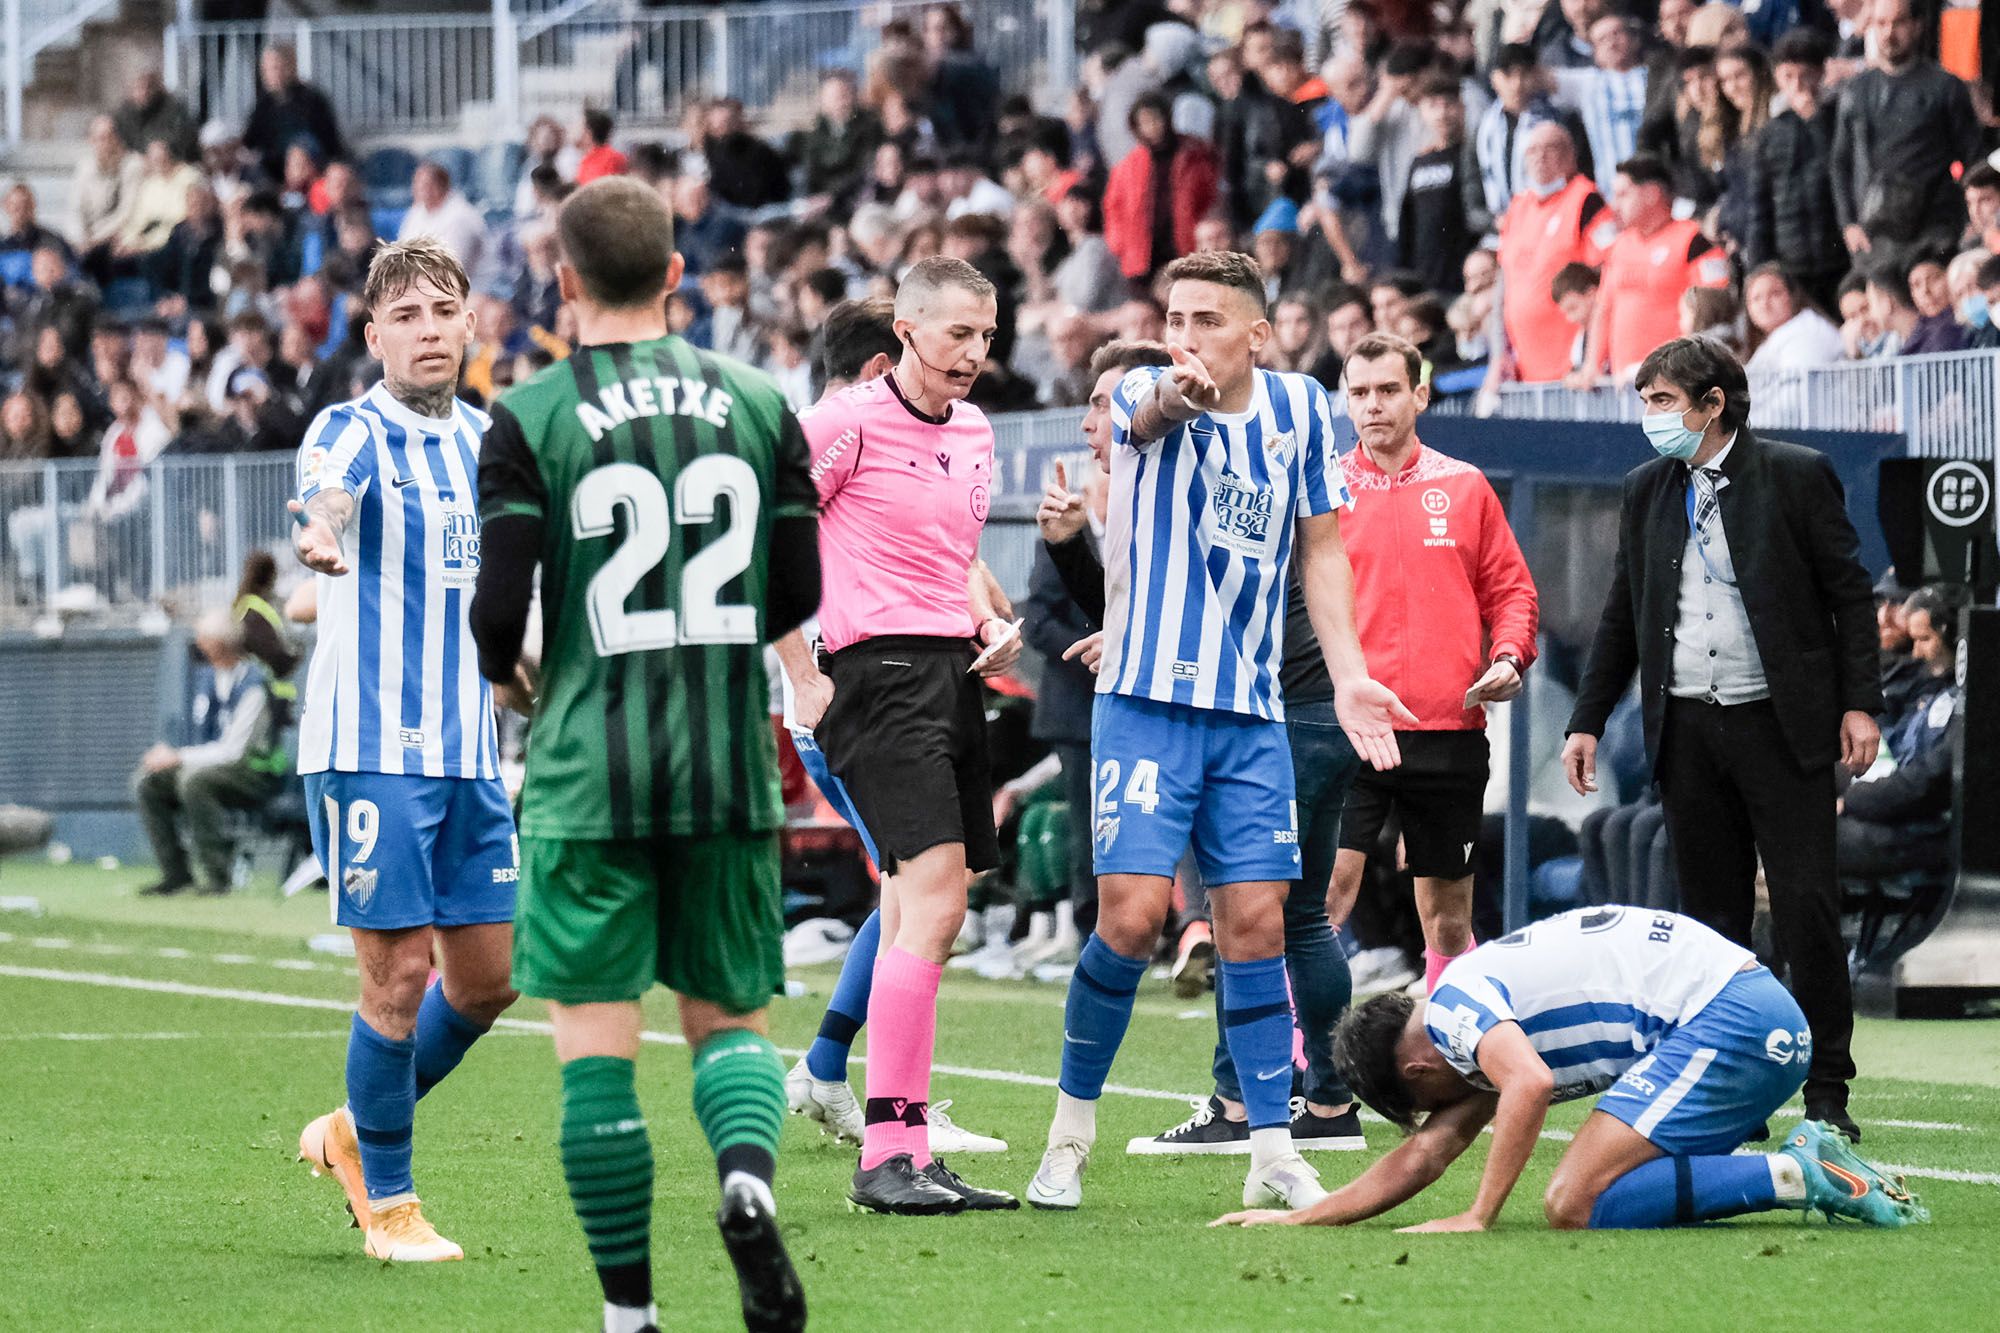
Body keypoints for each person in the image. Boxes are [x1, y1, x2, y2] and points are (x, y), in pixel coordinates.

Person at [467, 175, 814, 1333]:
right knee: (730, 1025)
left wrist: (510, 675)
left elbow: (496, 608)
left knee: (595, 1051)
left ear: (562, 285)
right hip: (723, 767)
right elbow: (798, 592)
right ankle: (748, 1182)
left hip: (586, 774)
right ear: (676, 275)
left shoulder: (529, 414)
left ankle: (630, 1317)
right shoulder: (763, 402)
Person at [1025, 250, 1414, 1214]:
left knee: (1256, 924)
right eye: (1175, 315)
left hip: (1252, 713)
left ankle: (1273, 1147)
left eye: (1206, 318)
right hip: (1148, 704)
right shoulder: (1142, 395)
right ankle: (1069, 1136)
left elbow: (1322, 552)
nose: (1184, 335)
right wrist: (1179, 394)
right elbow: (1152, 413)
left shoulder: (1302, 412)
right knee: (1133, 916)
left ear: (1259, 332)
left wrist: (1353, 672)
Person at [1561, 336, 1882, 1141]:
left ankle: (1827, 1091)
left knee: (1808, 906)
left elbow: (1851, 596)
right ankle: (1734, 1095)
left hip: (1782, 723)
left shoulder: (1795, 474)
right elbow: (1620, 613)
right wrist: (1587, 718)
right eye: (1645, 401)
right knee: (1710, 927)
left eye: (1664, 401)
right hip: (1687, 727)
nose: (1650, 417)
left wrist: (1860, 705)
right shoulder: (1644, 489)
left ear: (1714, 404)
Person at [287, 239, 520, 1263]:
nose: (427, 329)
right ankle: (389, 1203)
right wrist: (321, 538)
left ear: (471, 324)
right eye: (406, 315)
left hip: (472, 745)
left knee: (486, 982)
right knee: (395, 978)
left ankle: (347, 1128)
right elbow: (326, 495)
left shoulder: (493, 442)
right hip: (371, 740)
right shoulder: (352, 429)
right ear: (373, 334)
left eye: (443, 310)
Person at [1214, 908, 1928, 1233]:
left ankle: (1801, 1172)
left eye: (1419, 1099)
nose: (1435, 1116)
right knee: (1602, 1200)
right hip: (1750, 1015)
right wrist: (1308, 1217)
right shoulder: (1462, 1015)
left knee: (1568, 1201)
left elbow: (1528, 1082)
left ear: (1419, 1066)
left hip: (1731, 1019)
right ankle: (1797, 1167)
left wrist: (1478, 1214)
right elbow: (1425, 1157)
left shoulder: (1452, 1012)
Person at [784, 256, 1020, 1216]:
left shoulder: (973, 430)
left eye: (988, 336)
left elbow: (951, 555)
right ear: (909, 330)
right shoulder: (841, 423)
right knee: (928, 900)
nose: (975, 353)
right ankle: (889, 1152)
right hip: (873, 678)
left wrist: (984, 619)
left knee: (934, 901)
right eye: (959, 332)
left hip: (949, 675)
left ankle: (903, 1144)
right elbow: (767, 538)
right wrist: (802, 674)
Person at [1326, 333, 1539, 993]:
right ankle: (1298, 1059)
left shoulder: (1464, 486)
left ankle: (1452, 1044)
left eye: (1388, 390)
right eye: (1359, 393)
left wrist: (1508, 654)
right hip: (1351, 727)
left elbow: (1512, 592)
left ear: (1419, 394)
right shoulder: (1325, 488)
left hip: (1448, 726)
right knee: (1326, 892)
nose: (1373, 405)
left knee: (1445, 916)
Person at [133, 608, 288, 897]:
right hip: (208, 766)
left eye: (203, 637)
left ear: (219, 644)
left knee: (194, 781)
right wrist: (171, 753)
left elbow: (233, 751)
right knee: (148, 781)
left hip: (255, 774)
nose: (198, 643)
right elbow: (199, 740)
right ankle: (176, 874)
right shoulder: (206, 679)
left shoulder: (253, 685)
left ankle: (218, 877)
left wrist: (179, 757)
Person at [1830, 0, 1981, 256]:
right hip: (1876, 237)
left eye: (1898, 22)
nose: (1889, 32)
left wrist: (1972, 220)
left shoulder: (1945, 87)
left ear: (1917, 25)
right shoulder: (1856, 91)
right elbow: (1840, 162)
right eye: (1881, 23)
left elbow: (1972, 157)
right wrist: (1849, 224)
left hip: (1936, 231)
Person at [1575, 154, 1730, 386]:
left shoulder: (1693, 242)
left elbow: (1713, 310)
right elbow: (1603, 310)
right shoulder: (1619, 247)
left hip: (1676, 385)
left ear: (1651, 194)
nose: (1614, 205)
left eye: (1623, 195)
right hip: (1626, 386)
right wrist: (1591, 366)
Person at [1840, 588, 1958, 878]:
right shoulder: (1939, 692)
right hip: (1894, 797)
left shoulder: (1967, 706)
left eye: (1925, 640)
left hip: (1925, 830)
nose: (1916, 652)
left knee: (1815, 836)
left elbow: (1928, 781)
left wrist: (1852, 802)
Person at [1488, 122, 1616, 386]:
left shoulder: (1586, 201)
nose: (1540, 156)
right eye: (1532, 150)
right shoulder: (1517, 207)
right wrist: (1498, 355)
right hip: (1525, 368)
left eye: (1550, 148)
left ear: (1570, 155)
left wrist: (1592, 359)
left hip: (1574, 370)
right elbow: (1503, 284)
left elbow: (1604, 281)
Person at [1744, 29, 1847, 317]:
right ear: (1777, 77)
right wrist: (1759, 268)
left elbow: (1840, 170)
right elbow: (1759, 209)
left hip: (1839, 258)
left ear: (1821, 73)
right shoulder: (1769, 134)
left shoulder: (1838, 120)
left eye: (1806, 75)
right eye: (1788, 76)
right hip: (1791, 263)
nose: (1798, 85)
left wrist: (1814, 120)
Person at [1103, 91, 1222, 282]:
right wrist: (1119, 245)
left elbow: (1209, 196)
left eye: (1155, 119)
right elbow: (1114, 207)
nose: (1151, 127)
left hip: (1185, 248)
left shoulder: (1194, 155)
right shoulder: (1128, 166)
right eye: (1143, 122)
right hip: (1143, 257)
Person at [242, 43, 346, 183]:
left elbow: (328, 141)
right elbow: (250, 141)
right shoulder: (263, 105)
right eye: (265, 70)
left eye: (276, 68)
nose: (270, 74)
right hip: (273, 171)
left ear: (292, 67)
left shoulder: (311, 100)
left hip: (311, 170)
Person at [1743, 265, 1844, 374]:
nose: (1765, 304)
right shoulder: (1773, 340)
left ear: (1792, 297)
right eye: (1756, 298)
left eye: (1774, 294)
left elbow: (1799, 388)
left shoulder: (1806, 332)